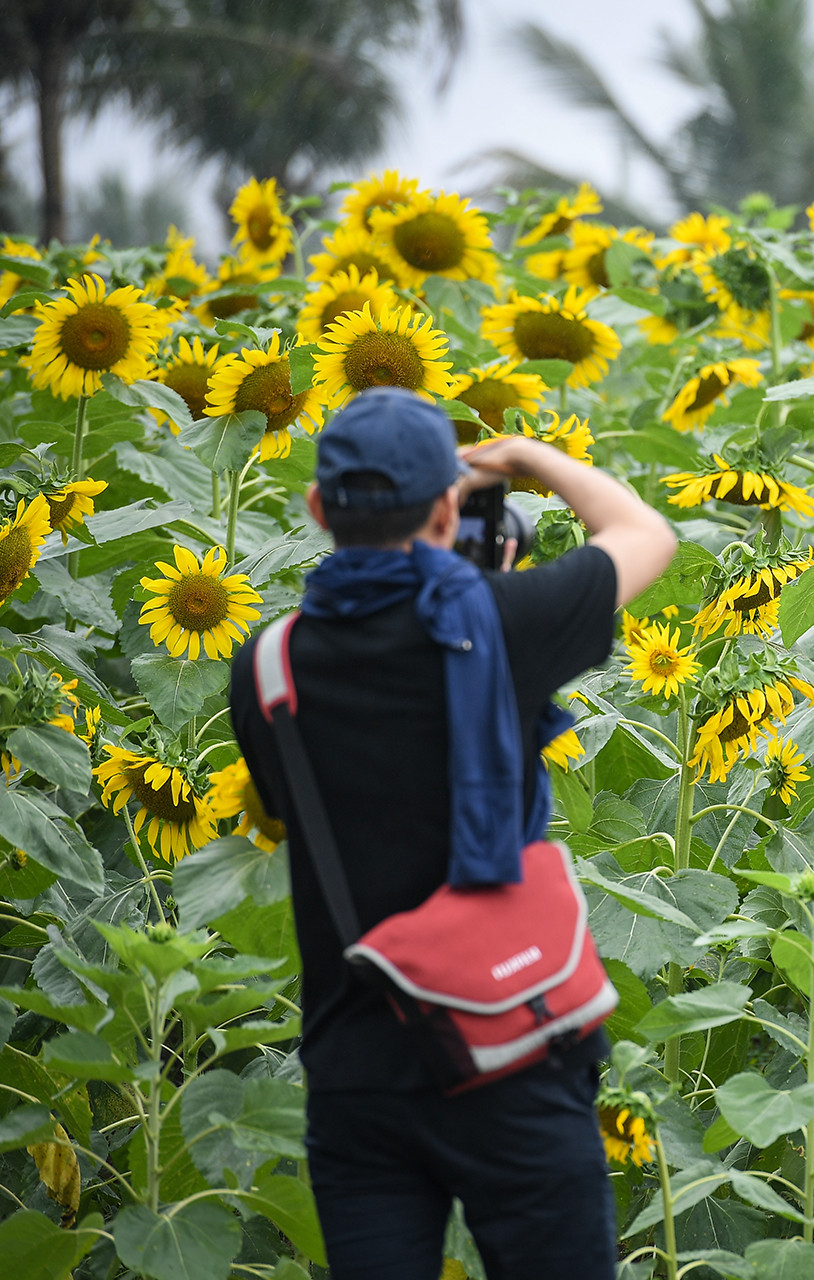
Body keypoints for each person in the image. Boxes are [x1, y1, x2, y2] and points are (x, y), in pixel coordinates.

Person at [228, 389, 675, 1280]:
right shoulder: (502, 627)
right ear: (445, 505)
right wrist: (528, 459)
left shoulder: (269, 663)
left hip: (356, 1064)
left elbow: (279, 814)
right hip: (514, 1042)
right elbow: (643, 533)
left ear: (319, 510)